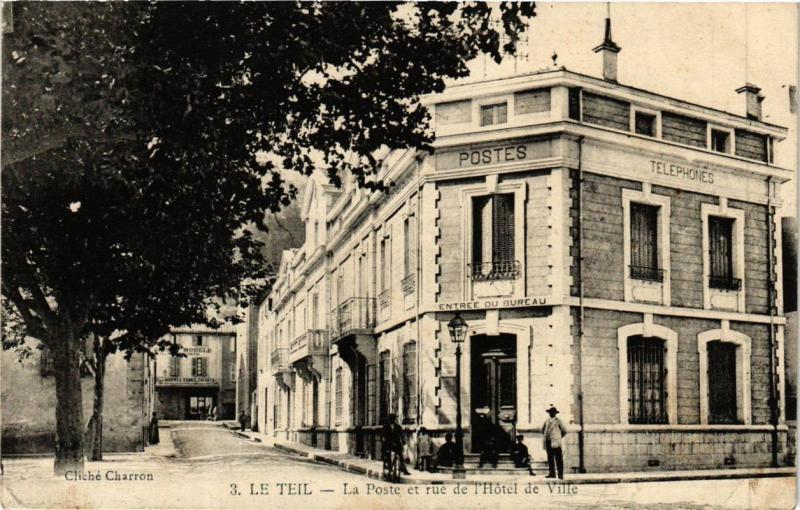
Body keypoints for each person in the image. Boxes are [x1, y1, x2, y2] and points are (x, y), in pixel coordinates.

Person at [542, 405, 568, 479]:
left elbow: (564, 431)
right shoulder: (546, 421)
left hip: (556, 442)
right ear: (549, 413)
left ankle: (560, 474)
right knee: (550, 458)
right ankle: (552, 473)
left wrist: (558, 437)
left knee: (558, 458)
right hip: (548, 441)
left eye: (553, 412)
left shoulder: (558, 421)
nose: (551, 414)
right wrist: (546, 437)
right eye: (550, 412)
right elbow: (543, 430)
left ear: (555, 413)